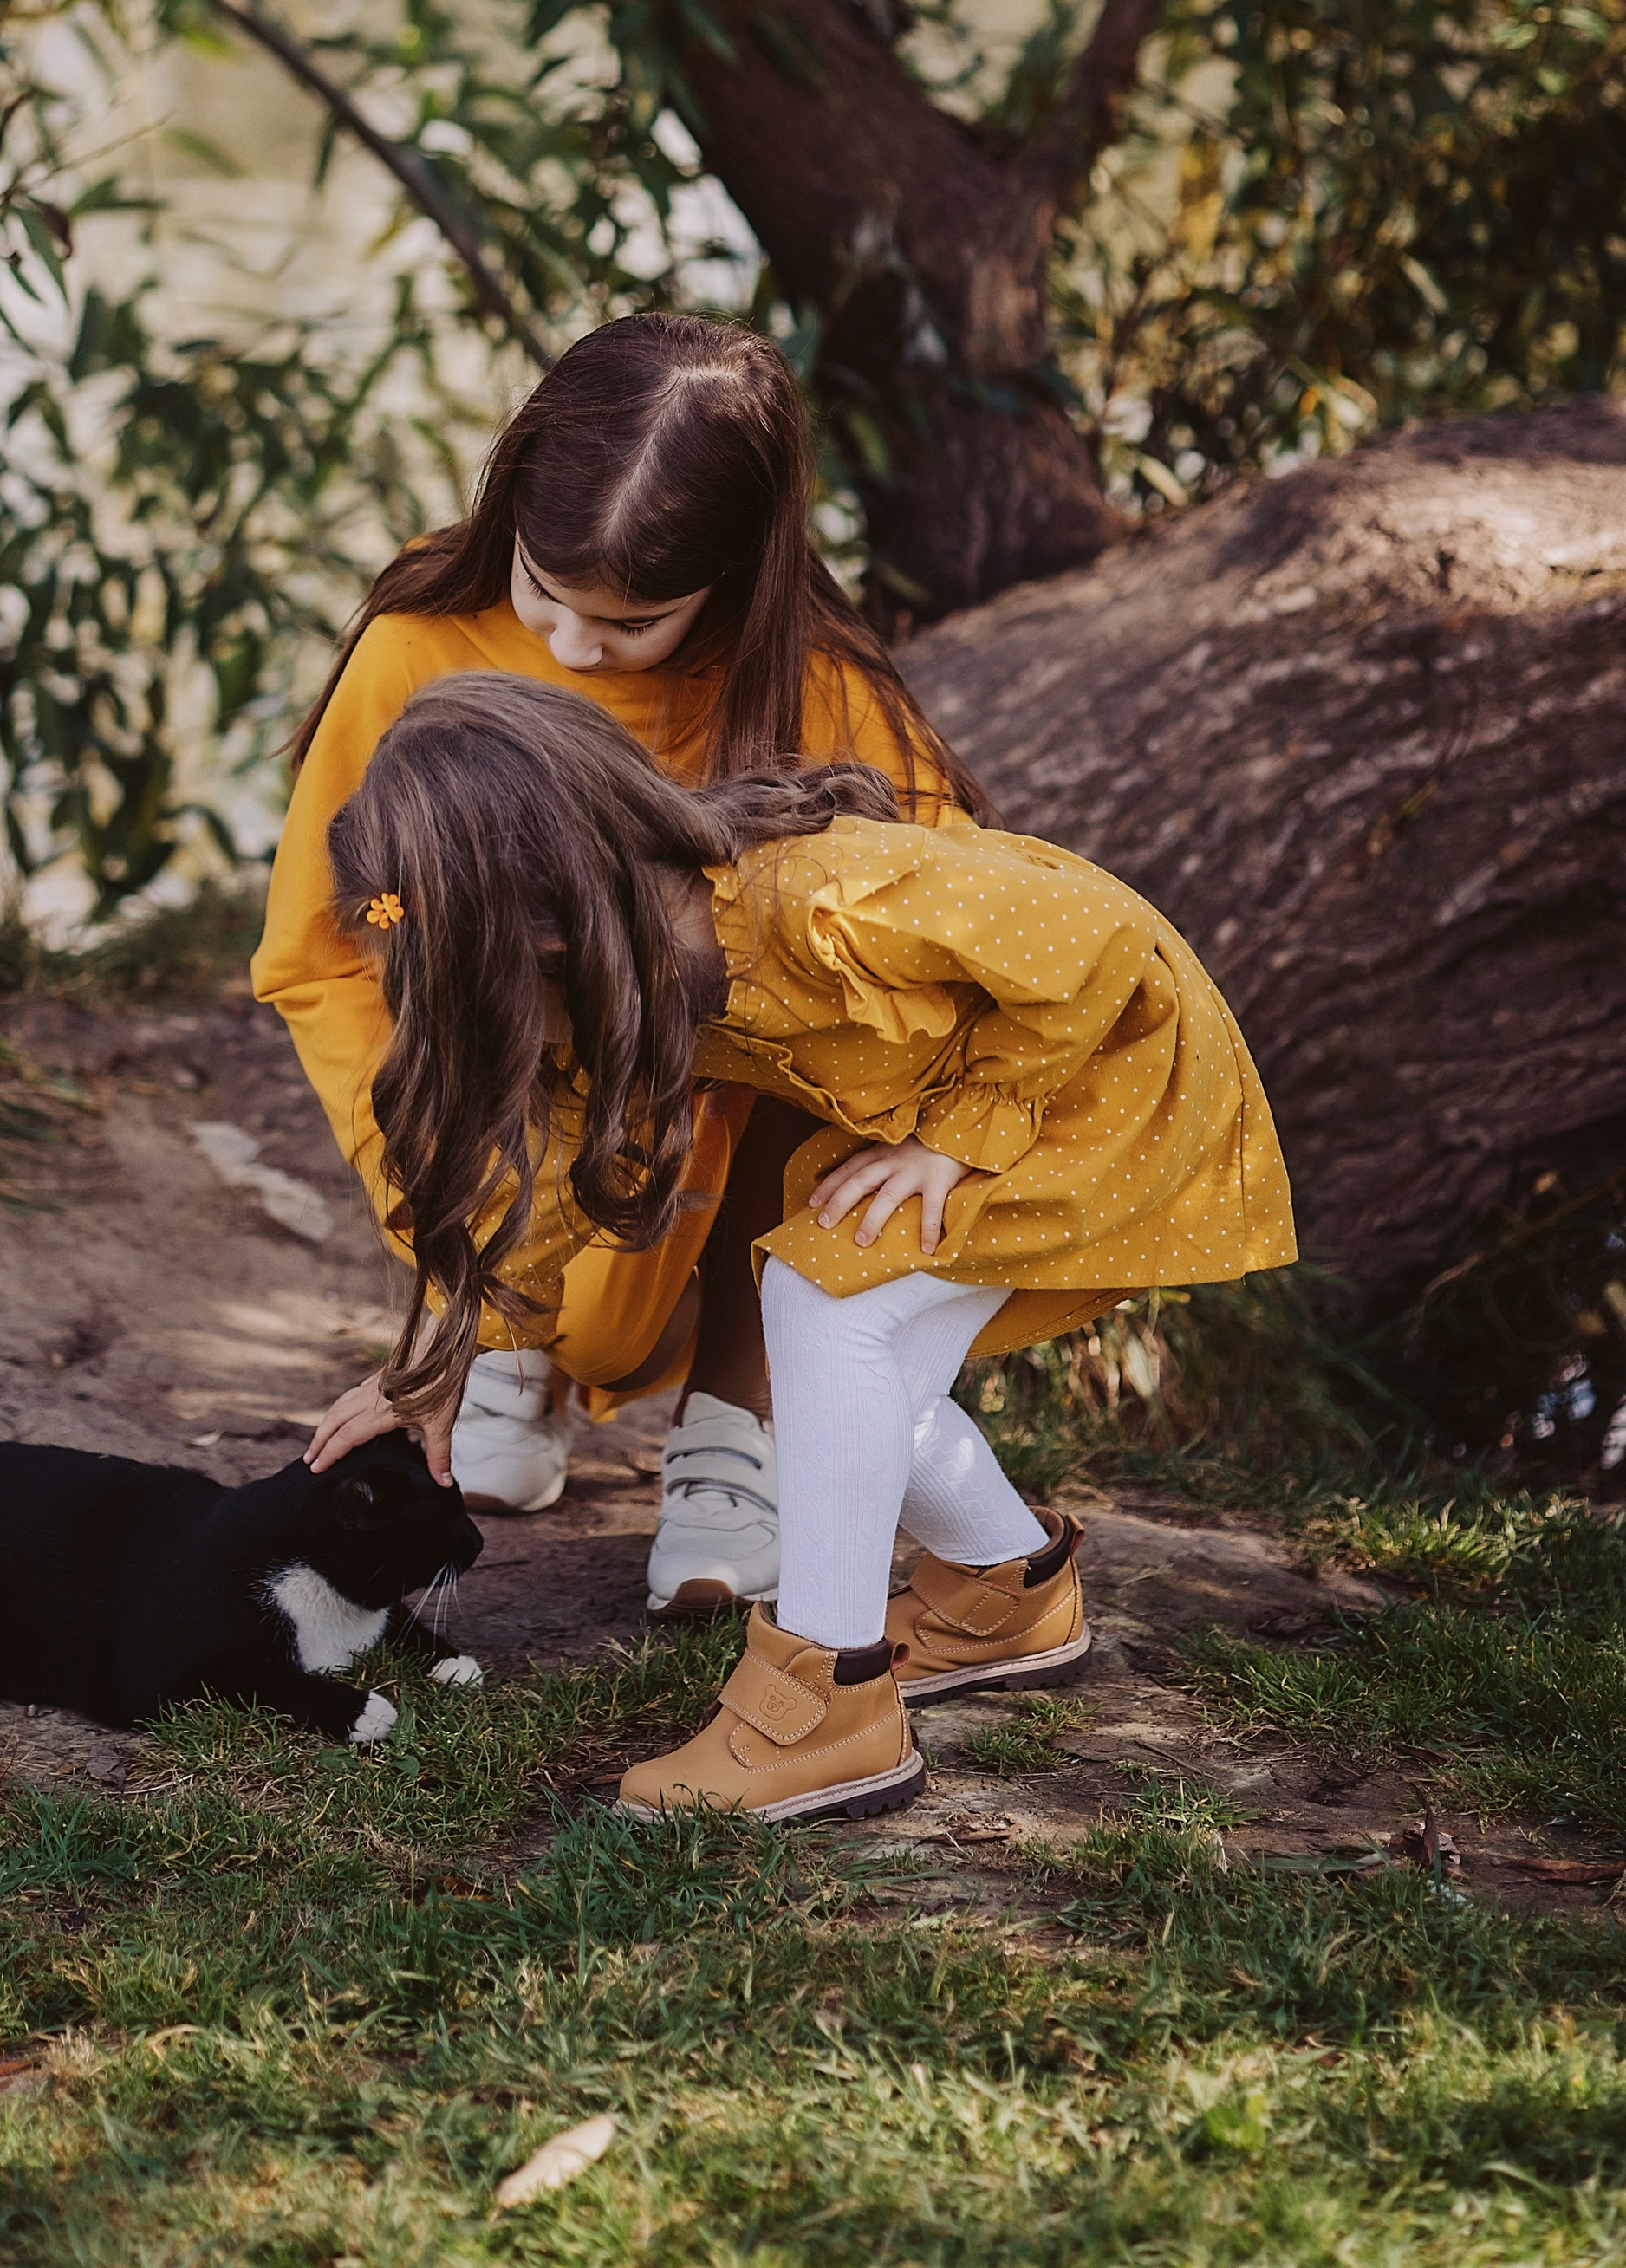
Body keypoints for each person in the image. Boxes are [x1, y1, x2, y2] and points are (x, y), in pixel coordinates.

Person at [305, 675, 1294, 1824]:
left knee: (831, 1308)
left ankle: (827, 1705)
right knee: (854, 1355)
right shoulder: (631, 969)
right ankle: (1005, 1597)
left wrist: (956, 1137)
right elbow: (537, 1199)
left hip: (1101, 1078)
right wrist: (435, 1365)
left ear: (547, 931)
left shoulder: (817, 898)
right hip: (1015, 1099)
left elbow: (1103, 942)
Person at [252, 314, 983, 1620]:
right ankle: (512, 1357)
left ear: (739, 578)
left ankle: (734, 1431)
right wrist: (449, 1221)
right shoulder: (424, 633)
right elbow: (320, 951)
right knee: (473, 1001)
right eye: (545, 597)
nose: (577, 649)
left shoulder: (814, 685)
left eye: (633, 621)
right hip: (512, 1094)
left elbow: (956, 946)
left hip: (725, 1116)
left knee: (848, 1020)